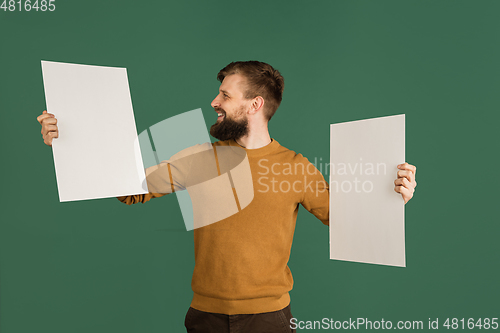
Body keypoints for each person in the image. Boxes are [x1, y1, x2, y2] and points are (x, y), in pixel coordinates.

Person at [37, 61, 417, 333]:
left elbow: (348, 221)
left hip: (270, 320)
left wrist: (395, 198)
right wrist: (70, 140)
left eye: (224, 94)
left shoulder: (296, 167)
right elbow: (130, 191)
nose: (214, 101)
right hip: (205, 317)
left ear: (255, 105)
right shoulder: (200, 157)